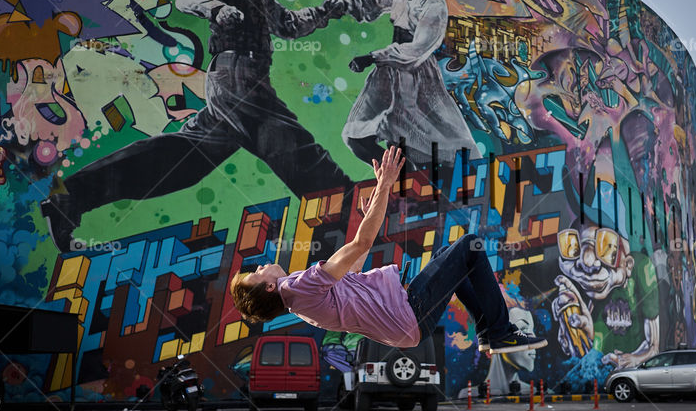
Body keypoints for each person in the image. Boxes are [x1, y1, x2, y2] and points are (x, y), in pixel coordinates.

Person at [41, 0, 346, 252]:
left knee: (184, 159)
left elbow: (286, 24)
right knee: (294, 149)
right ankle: (349, 216)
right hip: (239, 76)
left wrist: (324, 13)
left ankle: (71, 197)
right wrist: (215, 9)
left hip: (233, 79)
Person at [230, 146, 546, 355]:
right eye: (255, 275)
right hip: (409, 313)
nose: (259, 268)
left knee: (451, 263)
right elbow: (360, 243)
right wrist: (384, 185)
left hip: (406, 327)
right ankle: (500, 332)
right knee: (470, 246)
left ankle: (489, 332)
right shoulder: (298, 287)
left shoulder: (301, 302)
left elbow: (353, 266)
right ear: (269, 286)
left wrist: (373, 212)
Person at [318, 0, 477, 167]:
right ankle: (400, 178)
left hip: (415, 77)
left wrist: (372, 57)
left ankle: (408, 183)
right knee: (355, 135)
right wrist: (343, 3)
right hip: (388, 71)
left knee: (415, 140)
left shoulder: (434, 3)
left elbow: (416, 51)